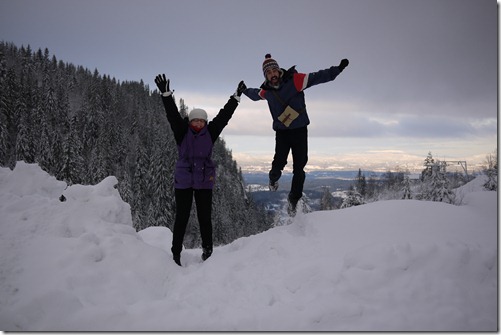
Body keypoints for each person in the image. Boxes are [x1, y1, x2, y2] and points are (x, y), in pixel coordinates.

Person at [154, 74, 246, 266]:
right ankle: (176, 254)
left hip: (204, 179)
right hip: (184, 180)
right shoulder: (182, 132)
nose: (198, 123)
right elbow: (172, 114)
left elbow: (223, 117)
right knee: (182, 217)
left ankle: (208, 252)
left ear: (205, 123)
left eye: (201, 121)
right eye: (195, 121)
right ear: (190, 122)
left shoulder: (210, 133)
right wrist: (166, 95)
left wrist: (235, 98)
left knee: (205, 218)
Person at [243, 54, 349, 216]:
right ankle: (273, 179)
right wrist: (243, 90)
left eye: (274, 70)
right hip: (282, 132)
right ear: (266, 76)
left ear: (279, 71)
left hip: (299, 130)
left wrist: (337, 69)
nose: (272, 74)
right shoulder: (267, 92)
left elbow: (318, 77)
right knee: (279, 162)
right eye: (268, 72)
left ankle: (293, 199)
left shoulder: (295, 80)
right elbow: (254, 94)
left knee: (299, 166)